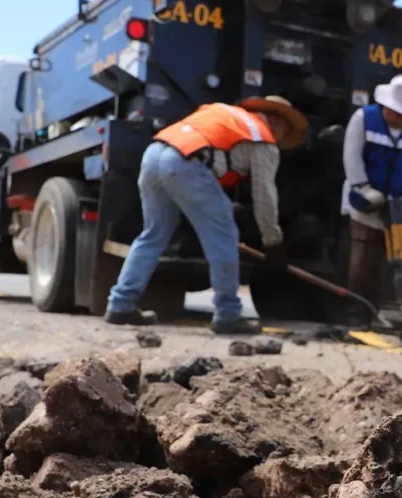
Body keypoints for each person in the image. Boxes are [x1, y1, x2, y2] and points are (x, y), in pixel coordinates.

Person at [106, 96, 309, 334]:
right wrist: (273, 242)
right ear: (276, 121)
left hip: (154, 155)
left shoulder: (225, 113)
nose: (283, 140)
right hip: (186, 165)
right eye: (286, 132)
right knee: (224, 237)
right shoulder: (262, 137)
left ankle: (120, 304)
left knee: (153, 235)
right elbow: (264, 196)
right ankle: (228, 314)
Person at [342, 75, 402, 321]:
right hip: (368, 204)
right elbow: (351, 156)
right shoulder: (364, 119)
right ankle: (360, 314)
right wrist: (362, 187)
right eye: (398, 112)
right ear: (386, 106)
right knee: (364, 263)